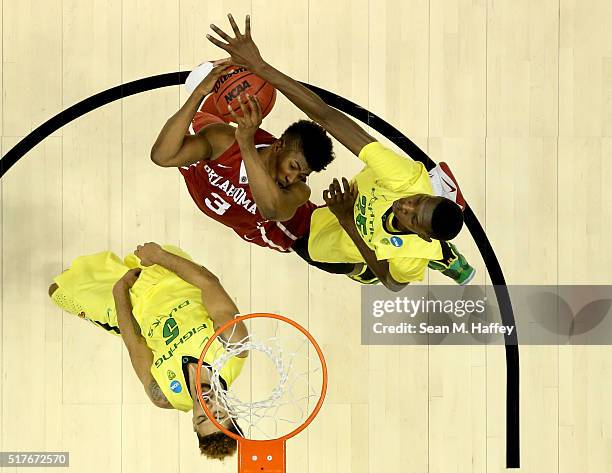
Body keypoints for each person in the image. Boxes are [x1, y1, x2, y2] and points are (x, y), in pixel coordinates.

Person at [206, 14, 476, 291]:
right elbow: (325, 115)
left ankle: (443, 256)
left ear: (421, 234)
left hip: (340, 238)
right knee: (349, 252)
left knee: (351, 266)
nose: (405, 205)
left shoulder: (412, 256)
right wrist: (260, 67)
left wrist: (347, 218)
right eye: (418, 200)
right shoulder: (402, 180)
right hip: (330, 219)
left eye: (413, 216)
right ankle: (440, 192)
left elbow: (391, 283)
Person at [48, 242, 248, 460]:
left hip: (134, 306)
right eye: (218, 414)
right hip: (169, 273)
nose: (208, 408)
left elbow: (134, 342)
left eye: (202, 419)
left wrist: (120, 289)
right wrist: (159, 256)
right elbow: (208, 282)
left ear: (193, 423)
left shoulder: (163, 395)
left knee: (57, 291)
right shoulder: (233, 346)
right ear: (232, 412)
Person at [150, 61, 334, 253]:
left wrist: (246, 142)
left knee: (325, 254)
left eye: (303, 176)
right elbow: (161, 157)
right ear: (279, 146)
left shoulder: (299, 191)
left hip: (298, 229)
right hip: (205, 129)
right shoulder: (222, 142)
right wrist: (199, 92)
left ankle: (360, 272)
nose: (293, 179)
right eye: (294, 167)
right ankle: (219, 75)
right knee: (207, 119)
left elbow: (271, 210)